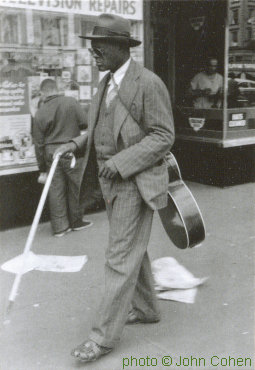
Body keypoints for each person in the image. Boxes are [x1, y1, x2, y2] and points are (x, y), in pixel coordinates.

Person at [54, 13, 175, 363]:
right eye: (92, 46)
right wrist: (75, 144)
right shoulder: (106, 83)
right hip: (112, 186)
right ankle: (149, 309)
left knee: (119, 257)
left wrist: (121, 163)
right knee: (132, 248)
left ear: (121, 47)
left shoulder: (148, 83)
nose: (93, 52)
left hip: (135, 184)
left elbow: (164, 136)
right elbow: (99, 128)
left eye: (99, 45)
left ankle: (102, 337)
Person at [33, 79, 92, 237]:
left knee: (55, 190)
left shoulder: (40, 112)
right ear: (56, 89)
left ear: (42, 93)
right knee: (76, 187)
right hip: (70, 150)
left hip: (51, 154)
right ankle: (76, 221)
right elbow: (85, 123)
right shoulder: (71, 102)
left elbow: (38, 144)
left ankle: (60, 228)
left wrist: (42, 169)